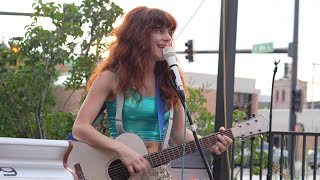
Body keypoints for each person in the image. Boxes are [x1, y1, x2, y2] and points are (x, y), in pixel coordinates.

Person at [72, 6, 233, 180]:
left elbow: (178, 135)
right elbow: (80, 128)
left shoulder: (171, 79)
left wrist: (209, 141)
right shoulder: (111, 77)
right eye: (159, 30)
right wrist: (122, 150)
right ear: (137, 35)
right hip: (119, 171)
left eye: (169, 32)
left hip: (159, 173)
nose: (168, 37)